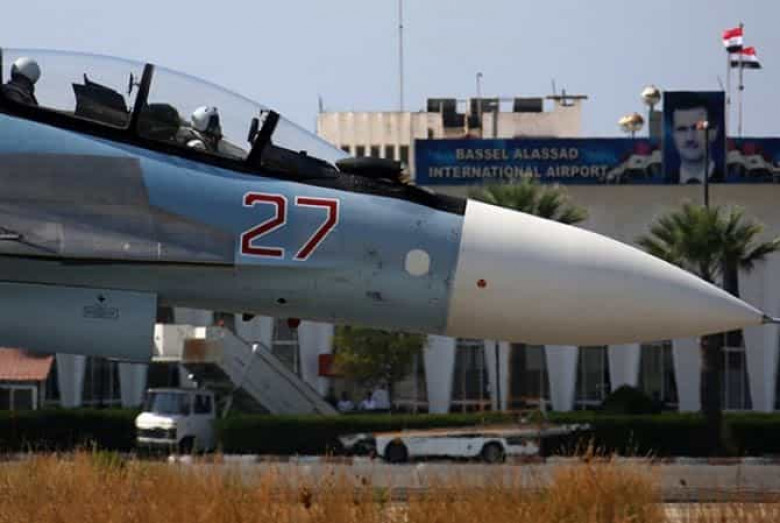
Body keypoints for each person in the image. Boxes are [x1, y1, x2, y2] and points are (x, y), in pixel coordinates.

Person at [669, 99, 721, 184]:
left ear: (713, 132)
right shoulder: (666, 183)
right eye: (682, 129)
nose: (690, 138)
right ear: (673, 135)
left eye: (698, 128)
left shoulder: (732, 183)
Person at [180, 105, 246, 159]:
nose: (219, 127)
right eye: (215, 123)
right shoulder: (197, 145)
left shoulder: (209, 142)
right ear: (207, 126)